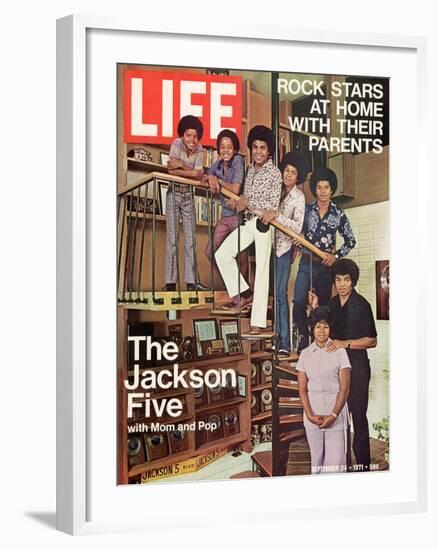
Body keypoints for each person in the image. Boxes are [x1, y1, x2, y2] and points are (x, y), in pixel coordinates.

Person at [309, 258, 378, 471]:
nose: (342, 284)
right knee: (337, 418)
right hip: (335, 370)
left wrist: (345, 343)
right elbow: (321, 326)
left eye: (346, 280)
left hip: (357, 369)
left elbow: (372, 340)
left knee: (358, 417)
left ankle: (364, 468)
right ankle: (342, 467)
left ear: (353, 281)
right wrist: (315, 307)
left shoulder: (362, 305)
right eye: (338, 280)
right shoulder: (330, 305)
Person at [215, 125, 282, 335]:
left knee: (261, 272)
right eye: (255, 147)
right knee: (222, 254)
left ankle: (258, 322)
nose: (258, 151)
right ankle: (243, 294)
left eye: (262, 147)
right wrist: (239, 203)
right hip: (248, 222)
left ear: (269, 150)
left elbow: (273, 205)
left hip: (264, 224)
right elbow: (244, 197)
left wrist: (248, 203)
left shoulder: (275, 173)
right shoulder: (250, 168)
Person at [293, 167, 356, 351]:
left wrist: (334, 256)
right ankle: (305, 339)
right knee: (298, 302)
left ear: (332, 189)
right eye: (319, 187)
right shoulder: (306, 210)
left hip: (325, 267)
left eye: (326, 187)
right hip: (306, 262)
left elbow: (351, 241)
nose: (322, 191)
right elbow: (296, 232)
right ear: (315, 189)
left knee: (323, 309)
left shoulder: (339, 214)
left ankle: (319, 345)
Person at [261, 152, 306, 356]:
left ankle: (284, 343)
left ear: (298, 177)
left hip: (284, 249)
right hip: (266, 245)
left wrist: (277, 216)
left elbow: (297, 227)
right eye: (286, 170)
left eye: (293, 172)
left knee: (280, 294)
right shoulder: (275, 189)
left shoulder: (299, 197)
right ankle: (276, 337)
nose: (288, 175)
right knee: (270, 294)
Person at [297, 306, 351, 474]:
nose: (322, 331)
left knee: (335, 466)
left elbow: (345, 388)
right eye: (318, 326)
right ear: (312, 328)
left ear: (330, 328)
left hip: (336, 413)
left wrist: (334, 415)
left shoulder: (340, 352)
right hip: (313, 414)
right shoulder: (305, 354)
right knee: (317, 462)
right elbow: (302, 390)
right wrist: (310, 415)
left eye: (325, 326)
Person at [164, 115, 209, 292]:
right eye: (189, 135)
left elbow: (199, 175)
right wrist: (192, 171)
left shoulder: (200, 149)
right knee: (172, 240)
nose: (192, 139)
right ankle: (170, 283)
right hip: (173, 194)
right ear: (183, 135)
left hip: (188, 196)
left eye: (195, 136)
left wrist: (180, 165)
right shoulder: (176, 143)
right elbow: (170, 170)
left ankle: (191, 283)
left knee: (191, 240)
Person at [204, 129, 246, 301]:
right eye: (222, 147)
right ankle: (234, 289)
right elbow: (206, 173)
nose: (226, 150)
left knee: (240, 256)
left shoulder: (238, 160)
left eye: (229, 147)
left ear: (235, 149)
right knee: (210, 251)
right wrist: (210, 178)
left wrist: (217, 181)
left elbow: (235, 189)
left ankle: (242, 295)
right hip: (224, 216)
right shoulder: (218, 165)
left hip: (237, 216)